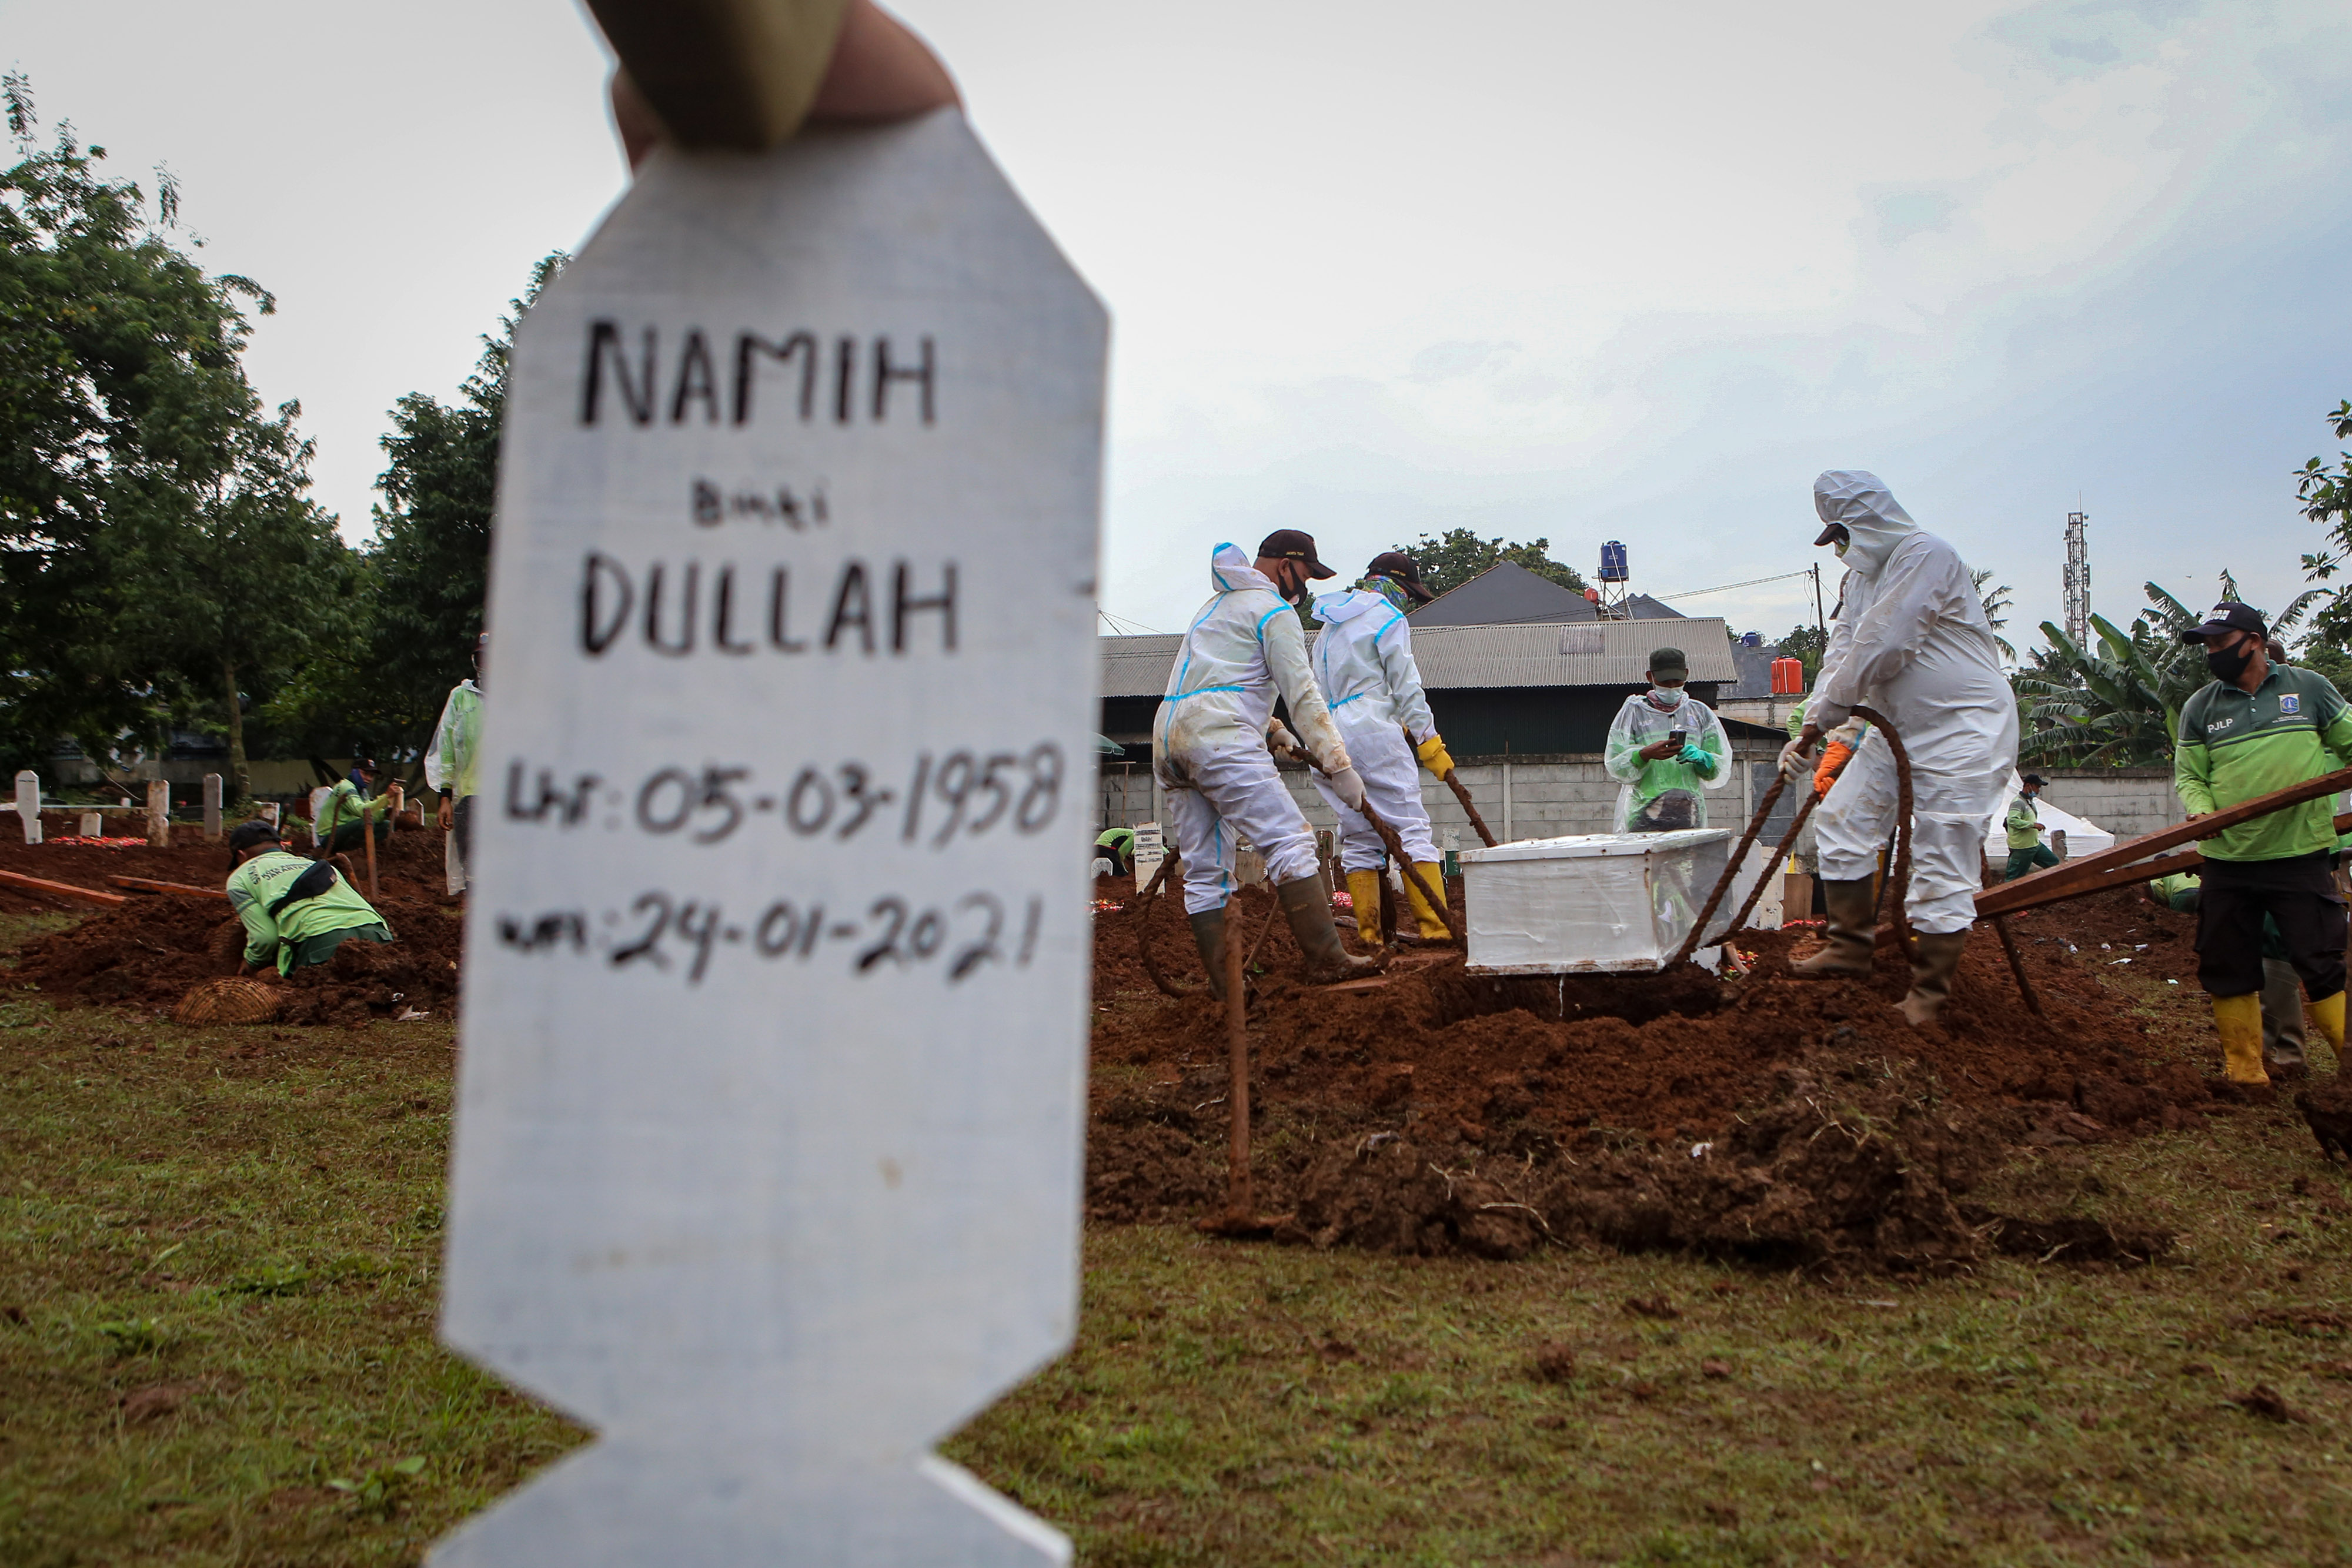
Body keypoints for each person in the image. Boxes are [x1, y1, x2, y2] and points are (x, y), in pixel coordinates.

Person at [1779, 471, 2018, 1027]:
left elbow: (1885, 643)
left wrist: (1831, 711)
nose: (1840, 550)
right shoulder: (1857, 583)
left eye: (1843, 536)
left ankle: (1929, 993)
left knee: (1941, 847)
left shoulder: (1926, 554)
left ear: (1868, 521)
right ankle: (1849, 946)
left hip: (1963, 727)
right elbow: (1842, 653)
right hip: (1895, 728)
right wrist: (1810, 727)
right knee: (1842, 817)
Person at [1154, 533, 1375, 993]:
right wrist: (1339, 764)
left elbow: (1215, 682)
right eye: (1306, 575)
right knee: (1291, 842)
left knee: (1204, 870)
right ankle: (1328, 960)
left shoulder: (1213, 608)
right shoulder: (1274, 612)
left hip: (1170, 743)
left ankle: (1227, 988)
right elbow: (1303, 694)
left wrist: (1271, 728)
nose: (1305, 588)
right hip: (1220, 742)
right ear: (1284, 566)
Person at [2174, 601, 2352, 1088]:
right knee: (2226, 962)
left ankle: (2348, 1069)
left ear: (2254, 640)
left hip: (2300, 853)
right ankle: (2245, 1071)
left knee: (2321, 962)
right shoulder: (2201, 707)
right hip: (2228, 859)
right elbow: (2191, 776)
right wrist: (2201, 811)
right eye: (2207, 645)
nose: (2212, 652)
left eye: (2220, 642)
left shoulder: (2309, 688)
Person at [1309, 550, 1453, 948]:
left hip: (1329, 736)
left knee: (1359, 835)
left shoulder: (1329, 626)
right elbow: (1406, 684)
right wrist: (1428, 740)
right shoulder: (1388, 617)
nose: (1407, 602)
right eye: (1408, 593)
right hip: (1373, 734)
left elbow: (1317, 690)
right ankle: (1437, 928)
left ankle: (1370, 935)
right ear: (1398, 587)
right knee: (1410, 828)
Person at [2149, 871, 2317, 1081]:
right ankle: (2291, 1054)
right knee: (2275, 945)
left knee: (2272, 942)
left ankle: (2258, 1055)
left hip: (2275, 870)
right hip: (2274, 872)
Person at [224, 819, 396, 978]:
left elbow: (265, 938)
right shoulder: (318, 865)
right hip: (378, 934)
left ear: (241, 855)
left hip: (322, 942)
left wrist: (251, 962)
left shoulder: (239, 878)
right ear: (282, 847)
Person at [1603, 647, 1729, 833]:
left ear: (1686, 674)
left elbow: (1716, 770)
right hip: (1645, 811)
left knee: (1688, 853)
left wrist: (1703, 759)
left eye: (1677, 681)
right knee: (1646, 853)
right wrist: (1643, 755)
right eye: (1665, 681)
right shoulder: (1634, 713)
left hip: (1690, 810)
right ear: (1651, 677)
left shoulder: (1700, 713)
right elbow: (1616, 767)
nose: (1671, 687)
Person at [426, 633, 486, 895]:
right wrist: (445, 797)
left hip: (504, 796)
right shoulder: (461, 697)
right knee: (471, 864)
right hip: (468, 796)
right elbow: (447, 750)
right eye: (482, 658)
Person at [316, 759, 399, 855]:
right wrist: (387, 796)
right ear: (354, 771)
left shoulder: (363, 792)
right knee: (365, 823)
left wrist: (385, 813)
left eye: (371, 775)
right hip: (328, 837)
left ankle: (361, 850)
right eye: (365, 774)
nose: (369, 778)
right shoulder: (346, 787)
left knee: (386, 826)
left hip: (344, 833)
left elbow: (371, 815)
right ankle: (348, 853)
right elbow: (361, 811)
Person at [2004, 774, 2059, 881]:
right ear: (2028, 786)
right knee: (2014, 879)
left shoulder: (2029, 802)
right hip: (2022, 848)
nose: (2038, 790)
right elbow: (2012, 821)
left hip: (2034, 844)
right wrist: (2033, 825)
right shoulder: (2018, 802)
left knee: (2053, 863)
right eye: (2037, 787)